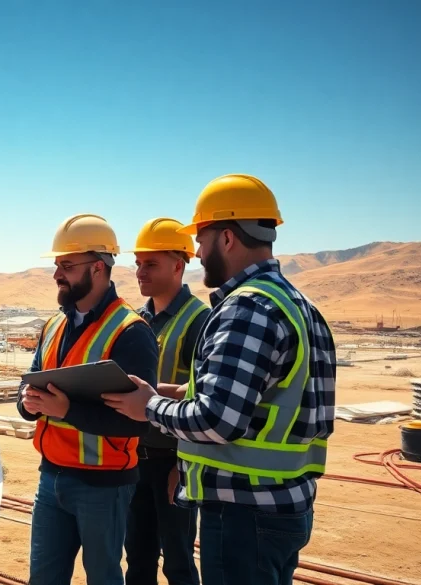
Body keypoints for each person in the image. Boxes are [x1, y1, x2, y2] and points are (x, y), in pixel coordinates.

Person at [103, 175, 337, 585]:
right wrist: (167, 392)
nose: (197, 251)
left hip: (243, 511)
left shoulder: (248, 308)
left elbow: (219, 419)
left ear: (227, 238)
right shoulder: (300, 304)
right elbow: (253, 399)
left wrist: (148, 406)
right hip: (284, 506)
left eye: (202, 239)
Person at [16, 213, 160, 585]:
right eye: (57, 265)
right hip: (51, 477)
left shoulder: (131, 332)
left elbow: (136, 420)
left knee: (103, 578)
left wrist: (67, 411)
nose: (56, 274)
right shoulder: (53, 325)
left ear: (99, 268)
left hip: (104, 485)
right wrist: (27, 404)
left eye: (67, 265)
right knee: (44, 579)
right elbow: (28, 384)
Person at [122, 217, 206, 585]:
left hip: (172, 463)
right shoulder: (138, 320)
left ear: (179, 264)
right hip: (134, 460)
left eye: (150, 263)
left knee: (178, 563)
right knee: (137, 560)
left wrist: (183, 465)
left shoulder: (200, 321)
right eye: (138, 263)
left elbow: (205, 401)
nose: (140, 271)